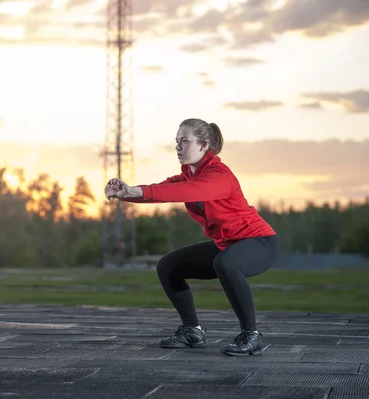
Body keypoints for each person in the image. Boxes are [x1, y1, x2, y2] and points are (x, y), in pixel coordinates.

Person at [104, 118, 280, 356]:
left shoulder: (219, 175)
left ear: (204, 144)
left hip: (260, 242)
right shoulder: (189, 174)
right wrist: (127, 193)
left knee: (225, 263)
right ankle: (192, 332)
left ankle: (252, 335)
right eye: (176, 142)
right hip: (226, 244)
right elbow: (163, 189)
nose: (178, 147)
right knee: (168, 265)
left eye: (184, 141)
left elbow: (183, 192)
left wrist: (136, 191)